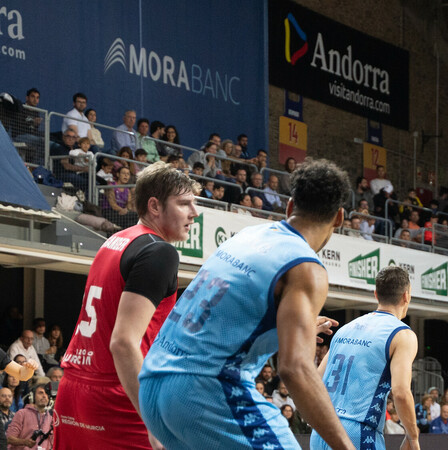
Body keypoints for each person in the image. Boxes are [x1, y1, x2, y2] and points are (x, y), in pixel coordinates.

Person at [138, 159, 355, 449]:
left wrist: (289, 332)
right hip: (206, 392)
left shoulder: (248, 235)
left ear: (290, 206)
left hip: (153, 386)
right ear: (339, 218)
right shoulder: (307, 268)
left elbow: (223, 319)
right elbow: (295, 370)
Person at [53, 162, 199, 450]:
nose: (194, 213)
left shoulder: (114, 241)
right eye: (184, 203)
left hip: (72, 389)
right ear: (154, 206)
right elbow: (122, 343)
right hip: (116, 397)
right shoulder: (160, 252)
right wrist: (152, 420)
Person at [311, 266, 419, 450]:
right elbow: (400, 392)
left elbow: (315, 380)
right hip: (357, 431)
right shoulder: (402, 334)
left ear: (376, 294)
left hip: (321, 429)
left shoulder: (345, 328)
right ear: (406, 296)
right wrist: (413, 436)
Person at [6, 384, 53, 449]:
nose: (44, 396)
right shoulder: (22, 413)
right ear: (32, 396)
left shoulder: (51, 417)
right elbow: (9, 439)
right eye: (40, 393)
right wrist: (25, 442)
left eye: (46, 393)